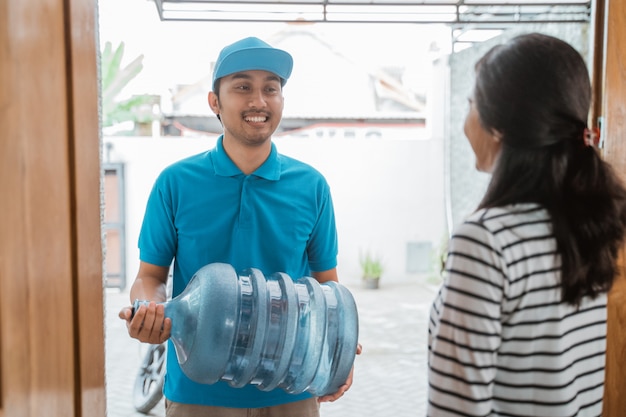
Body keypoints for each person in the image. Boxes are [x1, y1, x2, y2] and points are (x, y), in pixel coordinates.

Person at [119, 36, 358, 417]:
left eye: (271, 89)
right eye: (243, 87)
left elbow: (328, 285)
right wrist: (147, 308)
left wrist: (339, 348)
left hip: (289, 390)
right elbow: (150, 276)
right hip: (198, 393)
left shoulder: (311, 186)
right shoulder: (175, 183)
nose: (258, 101)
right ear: (215, 101)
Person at [427, 33, 626, 417]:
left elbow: (456, 409)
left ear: (499, 126)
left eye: (471, 104)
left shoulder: (486, 240)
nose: (467, 121)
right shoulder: (589, 226)